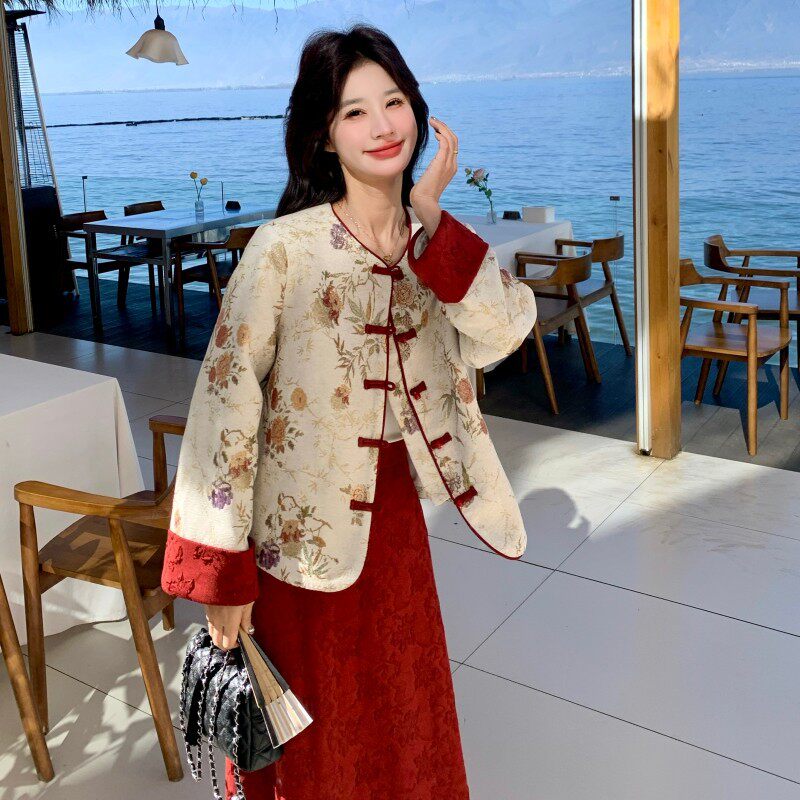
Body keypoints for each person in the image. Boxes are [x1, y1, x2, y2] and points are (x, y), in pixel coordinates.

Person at [160, 23, 537, 800]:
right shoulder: (283, 249)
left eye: (393, 102)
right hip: (293, 537)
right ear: (324, 136)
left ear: (418, 111)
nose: (382, 124)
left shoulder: (436, 242)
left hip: (395, 522)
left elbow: (505, 331)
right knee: (319, 738)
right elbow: (223, 409)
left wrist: (433, 216)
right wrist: (222, 576)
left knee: (406, 713)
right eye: (354, 111)